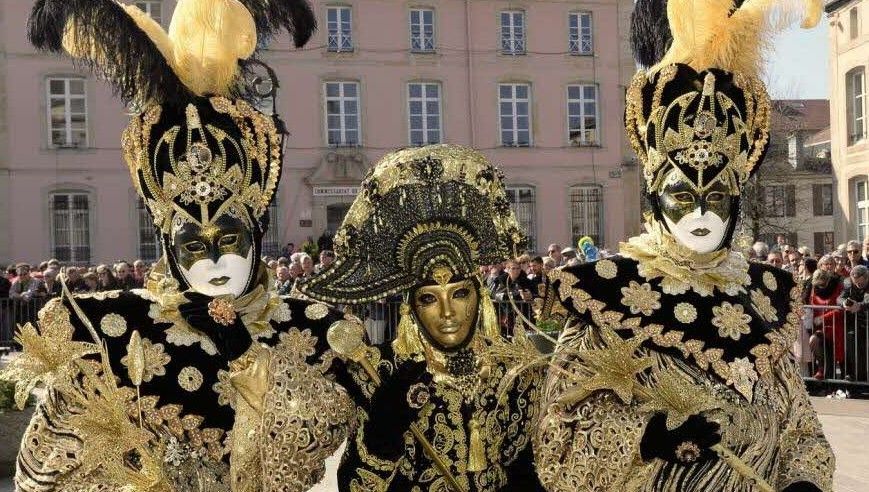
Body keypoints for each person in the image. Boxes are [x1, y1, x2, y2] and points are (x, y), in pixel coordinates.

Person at [1, 2, 354, 490]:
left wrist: (254, 366)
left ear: (254, 234)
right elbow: (45, 473)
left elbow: (311, 462)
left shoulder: (310, 331)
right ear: (168, 245)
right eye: (193, 244)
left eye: (229, 239)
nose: (213, 260)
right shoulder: (113, 335)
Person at [534, 2, 834, 490]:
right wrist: (646, 438)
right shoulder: (606, 296)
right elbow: (558, 446)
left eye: (715, 194)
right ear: (655, 196)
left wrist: (804, 481)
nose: (700, 211)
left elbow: (800, 428)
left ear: (735, 198)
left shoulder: (763, 296)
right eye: (682, 194)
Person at [300, 144, 545, 491]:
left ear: (480, 296)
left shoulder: (514, 371)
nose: (448, 313)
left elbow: (525, 474)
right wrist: (381, 436)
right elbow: (357, 485)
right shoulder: (380, 374)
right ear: (411, 308)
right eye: (430, 299)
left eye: (460, 293)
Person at [808, 269, 845, 380]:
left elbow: (840, 309)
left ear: (828, 281)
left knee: (835, 355)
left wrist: (823, 318)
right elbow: (811, 304)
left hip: (836, 327)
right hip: (819, 327)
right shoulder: (814, 288)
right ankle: (821, 369)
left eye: (822, 284)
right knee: (814, 341)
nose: (820, 287)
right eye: (818, 285)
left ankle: (832, 379)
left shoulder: (838, 287)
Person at [838, 265, 869, 382]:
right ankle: (854, 377)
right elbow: (839, 298)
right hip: (854, 323)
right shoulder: (848, 283)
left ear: (867, 278)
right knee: (852, 348)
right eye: (855, 283)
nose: (858, 285)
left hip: (866, 320)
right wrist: (844, 303)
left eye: (860, 284)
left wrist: (859, 306)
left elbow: (867, 299)